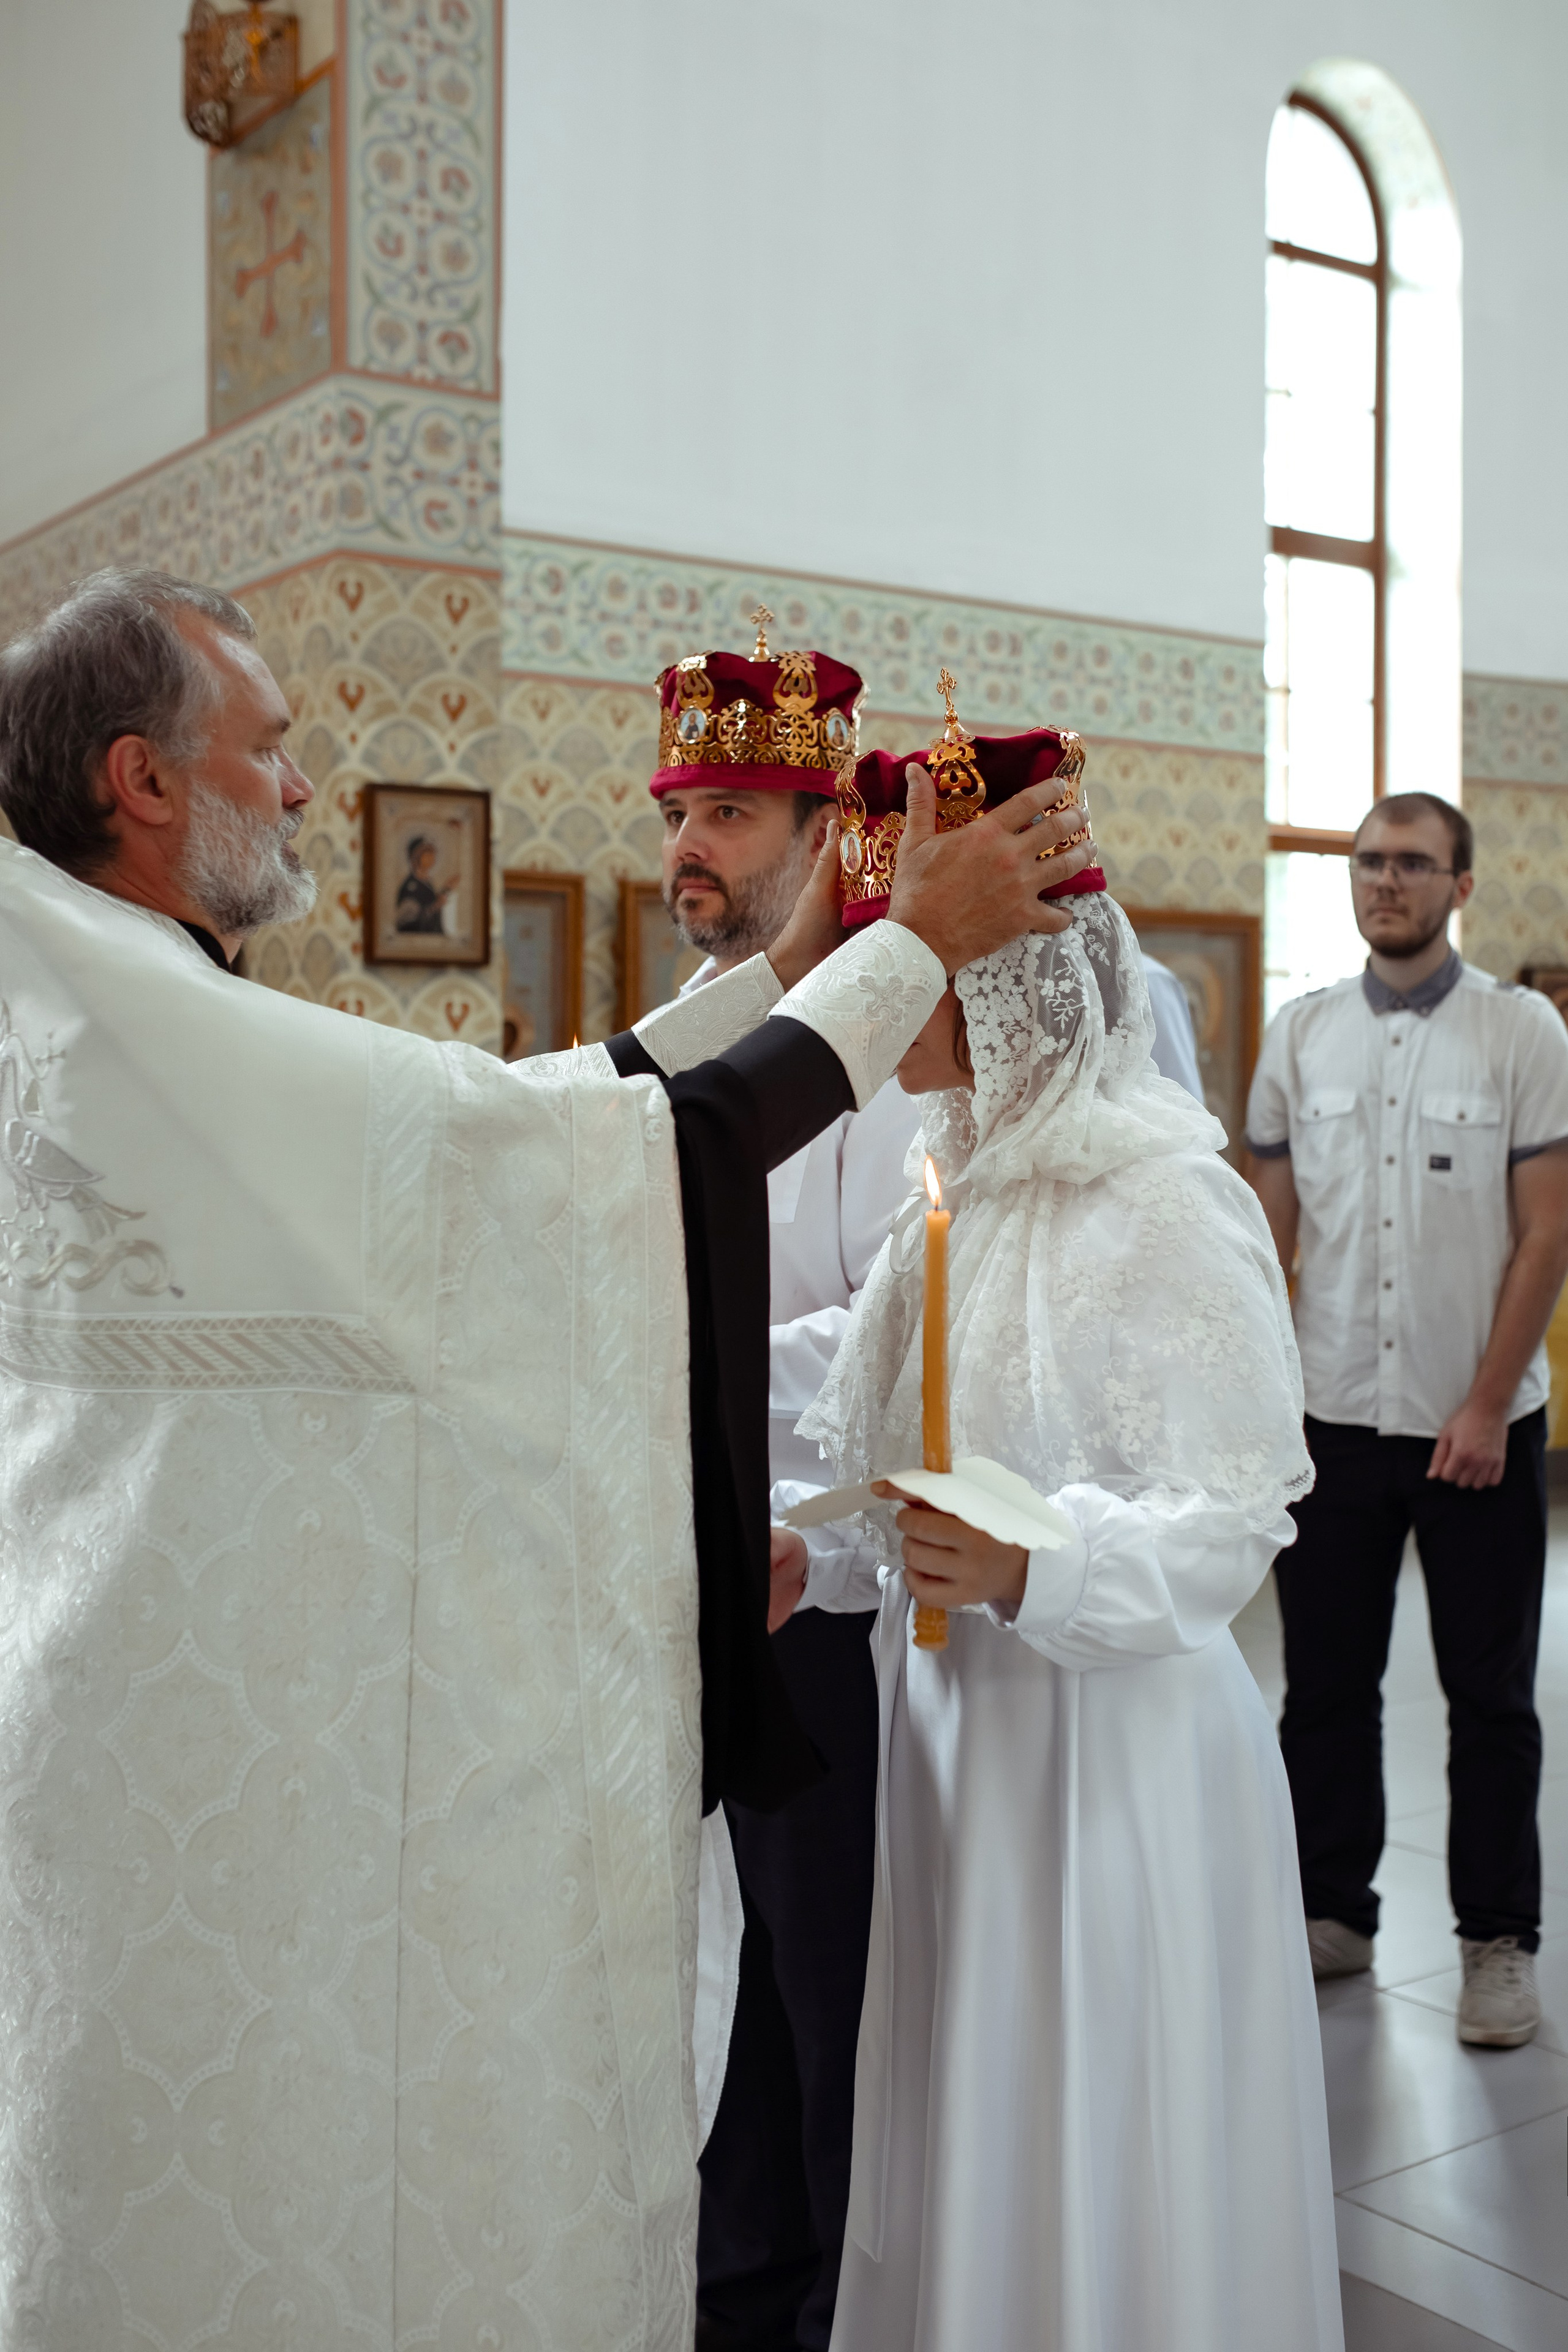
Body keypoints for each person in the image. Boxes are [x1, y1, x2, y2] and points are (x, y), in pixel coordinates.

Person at [0, 568, 1096, 2346]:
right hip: (194, 1770)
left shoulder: (99, 990)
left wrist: (813, 965)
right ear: (140, 780)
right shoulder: (144, 1019)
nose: (299, 788)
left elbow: (552, 1124)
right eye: (268, 750)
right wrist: (910, 954)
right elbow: (589, 1169)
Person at [654, 637, 1212, 2352]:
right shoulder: (869, 1117)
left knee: (890, 2020)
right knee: (788, 2011)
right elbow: (871, 1367)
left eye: (736, 812)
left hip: (1016, 1655)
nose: (692, 848)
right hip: (857, 1592)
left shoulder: (1113, 1172)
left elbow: (1167, 1458)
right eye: (681, 812)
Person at [773, 720, 1341, 2352]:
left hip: (1119, 1755)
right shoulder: (963, 1180)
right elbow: (917, 1459)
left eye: (919, 968)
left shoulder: (1165, 1193)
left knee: (1099, 2121)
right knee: (974, 2110)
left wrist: (1043, 1566)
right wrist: (829, 1556)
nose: (891, 1010)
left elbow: (1232, 1515)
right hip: (965, 1739)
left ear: (1013, 977)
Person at [1245, 791, 1568, 2046]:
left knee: (1487, 1697)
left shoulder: (1518, 1031)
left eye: (1412, 865)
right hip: (1329, 1416)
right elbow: (1265, 1232)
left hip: (1474, 1424)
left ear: (1458, 886)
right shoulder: (1300, 1033)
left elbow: (1544, 1231)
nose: (1385, 882)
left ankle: (1496, 1942)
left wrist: (1486, 1402)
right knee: (1324, 1684)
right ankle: (1331, 1911)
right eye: (1369, 862)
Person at [393, 832, 452, 932]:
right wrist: (437, 905)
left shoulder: (427, 882)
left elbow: (429, 901)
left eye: (433, 854)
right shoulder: (411, 886)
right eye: (427, 855)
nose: (432, 858)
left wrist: (446, 889)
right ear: (416, 858)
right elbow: (407, 921)